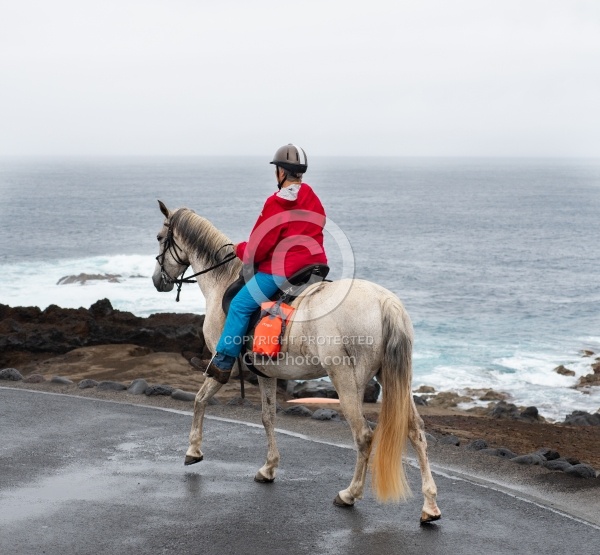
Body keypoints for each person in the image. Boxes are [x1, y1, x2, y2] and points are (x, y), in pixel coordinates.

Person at [193, 144, 328, 384]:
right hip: (315, 267)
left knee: (240, 305)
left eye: (277, 169)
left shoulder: (276, 203)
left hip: (283, 271)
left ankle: (223, 363)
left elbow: (259, 248)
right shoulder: (313, 197)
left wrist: (239, 249)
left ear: (282, 172)